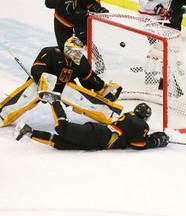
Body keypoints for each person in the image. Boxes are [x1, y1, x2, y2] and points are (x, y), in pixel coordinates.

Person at [0, 36, 122, 127]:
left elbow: (88, 78)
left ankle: (108, 114)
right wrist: (43, 79)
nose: (79, 54)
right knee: (26, 100)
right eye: (77, 52)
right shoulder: (50, 53)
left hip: (64, 86)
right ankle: (3, 113)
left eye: (80, 51)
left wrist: (101, 87)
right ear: (68, 50)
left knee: (81, 100)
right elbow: (36, 69)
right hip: (42, 85)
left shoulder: (82, 62)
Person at [13, 91, 170, 151]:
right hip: (99, 136)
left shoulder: (129, 115)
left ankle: (29, 132)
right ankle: (54, 101)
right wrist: (155, 141)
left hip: (98, 139)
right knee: (63, 129)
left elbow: (134, 137)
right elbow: (138, 144)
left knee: (61, 143)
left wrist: (151, 138)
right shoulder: (141, 124)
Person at [45, 0, 109, 74]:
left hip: (81, 18)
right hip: (62, 19)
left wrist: (98, 9)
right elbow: (48, 3)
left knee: (85, 41)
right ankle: (68, 68)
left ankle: (99, 62)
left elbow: (92, 3)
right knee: (64, 47)